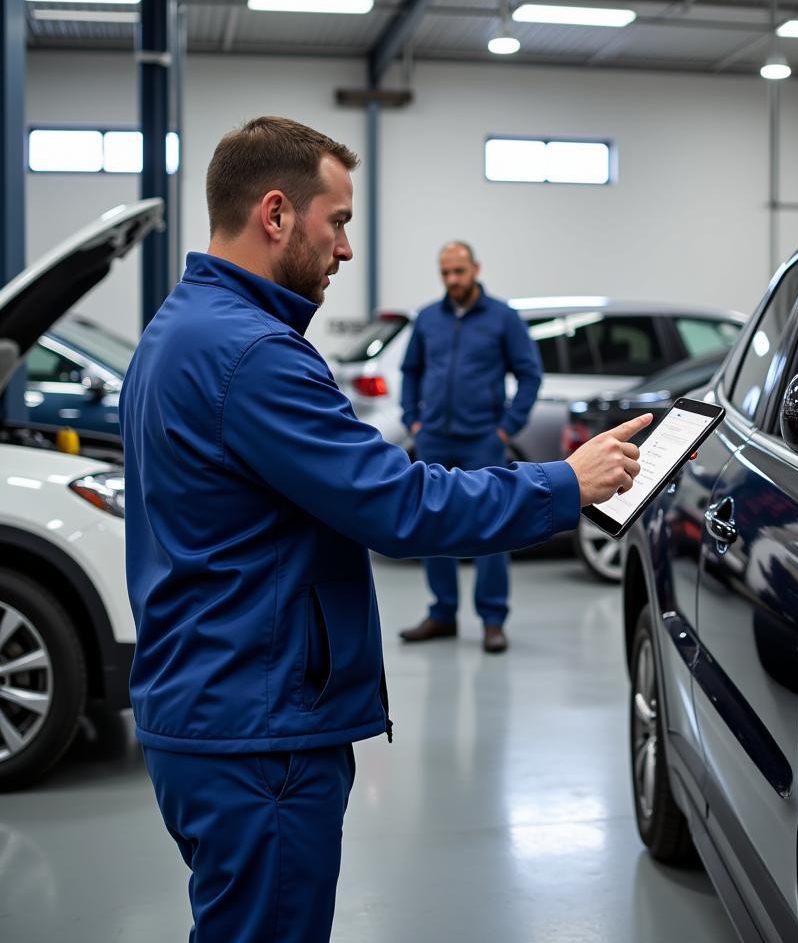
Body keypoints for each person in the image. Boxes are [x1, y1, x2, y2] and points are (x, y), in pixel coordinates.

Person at [119, 115, 649, 943]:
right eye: (338, 222)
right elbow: (399, 507)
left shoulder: (176, 330)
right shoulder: (254, 355)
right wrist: (565, 484)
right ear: (276, 214)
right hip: (258, 730)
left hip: (207, 702)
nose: (346, 248)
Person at [397, 240, 541, 654]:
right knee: (433, 525)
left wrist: (506, 428)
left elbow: (529, 375)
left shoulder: (502, 319)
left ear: (475, 269)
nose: (452, 280)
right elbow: (411, 372)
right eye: (445, 273)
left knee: (491, 526)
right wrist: (413, 421)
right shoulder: (427, 319)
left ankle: (493, 619)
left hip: (483, 440)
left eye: (458, 271)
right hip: (434, 439)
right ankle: (442, 614)